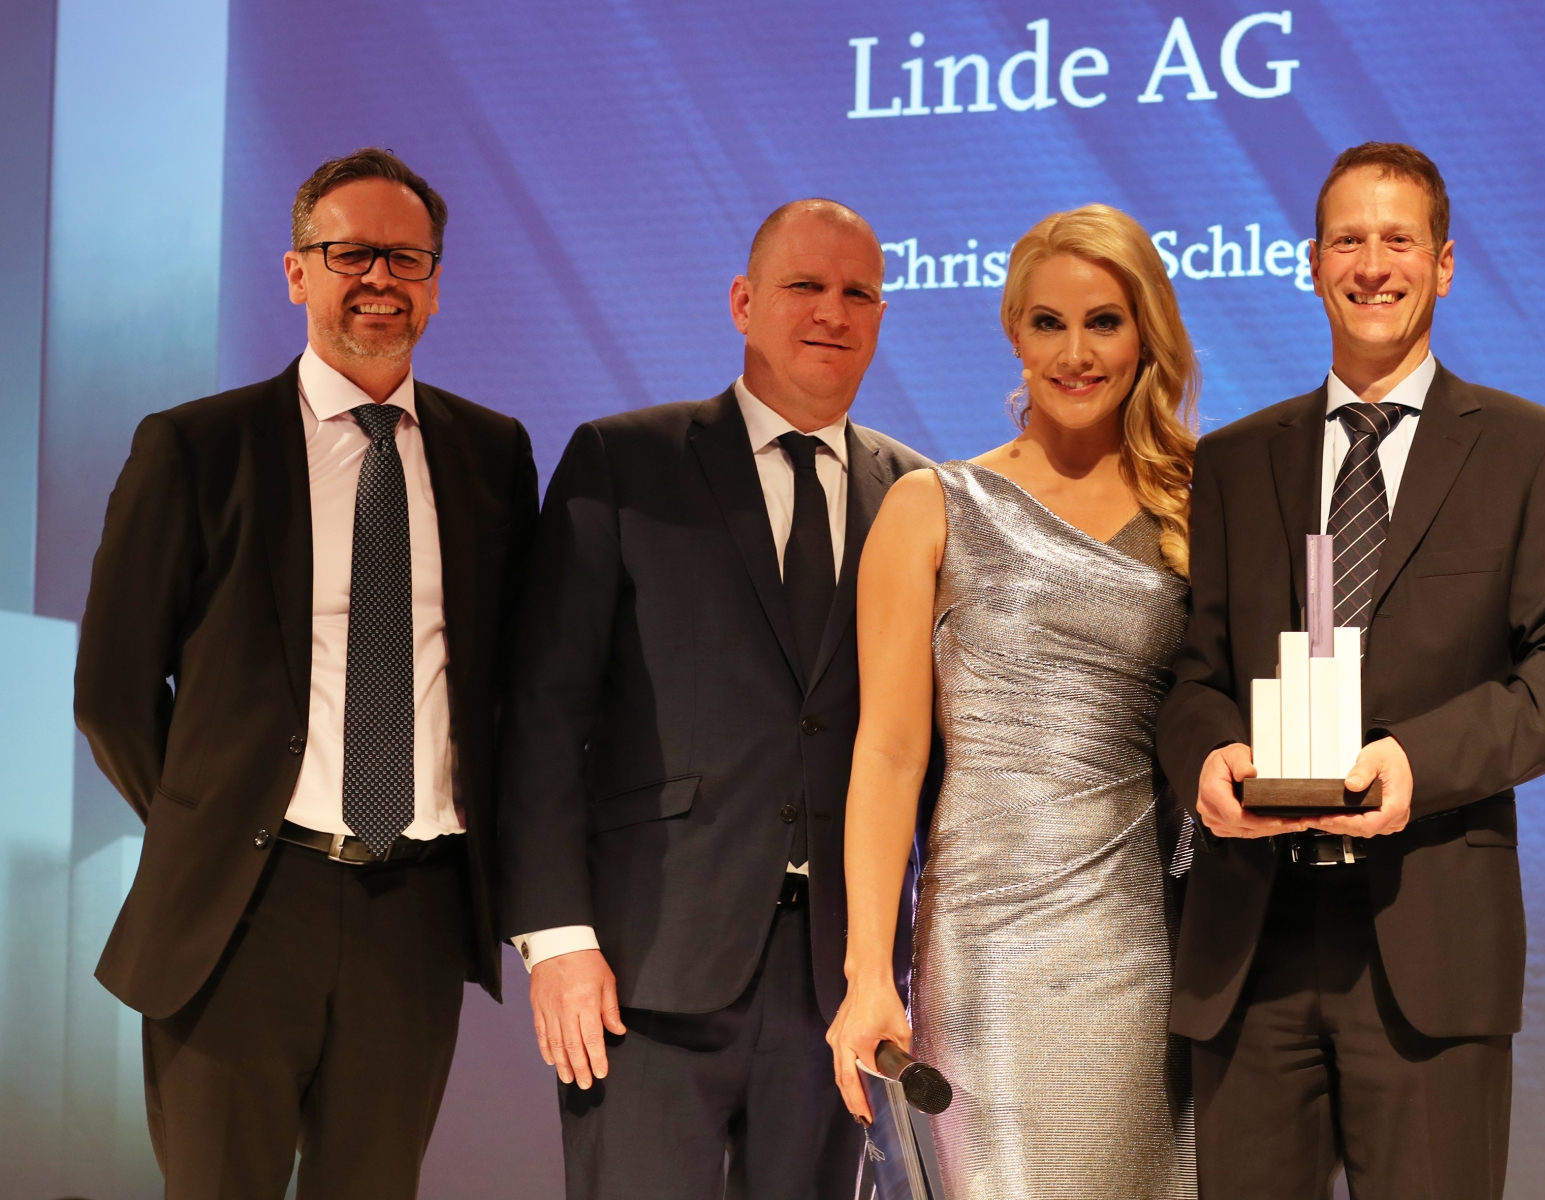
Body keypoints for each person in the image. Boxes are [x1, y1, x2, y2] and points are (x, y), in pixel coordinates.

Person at [72, 148, 539, 1199]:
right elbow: (111, 693)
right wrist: (214, 820)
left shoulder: (490, 453)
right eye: (350, 253)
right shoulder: (198, 447)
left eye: (407, 258)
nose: (380, 279)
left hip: (415, 909)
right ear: (297, 273)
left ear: (435, 282)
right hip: (240, 911)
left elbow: (511, 684)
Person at [1156, 142, 1545, 1198]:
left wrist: (1417, 761)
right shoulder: (1236, 460)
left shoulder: (1530, 450)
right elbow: (1196, 677)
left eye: (1398, 240)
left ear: (1443, 265)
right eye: (1348, 241)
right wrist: (1208, 759)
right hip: (1251, 947)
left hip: (1432, 943)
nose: (1372, 265)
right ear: (1313, 264)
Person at [498, 198, 932, 1198]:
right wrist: (557, 938)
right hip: (644, 968)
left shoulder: (916, 495)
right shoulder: (625, 461)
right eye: (804, 286)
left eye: (858, 293)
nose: (832, 311)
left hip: (833, 984)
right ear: (743, 301)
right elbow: (543, 714)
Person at [827, 204, 1199, 1198]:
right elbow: (889, 754)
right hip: (986, 950)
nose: (1075, 353)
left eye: (1104, 322)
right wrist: (869, 973)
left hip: (1145, 945)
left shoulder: (1200, 507)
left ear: (1146, 334)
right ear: (1014, 334)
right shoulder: (931, 506)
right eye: (1048, 323)